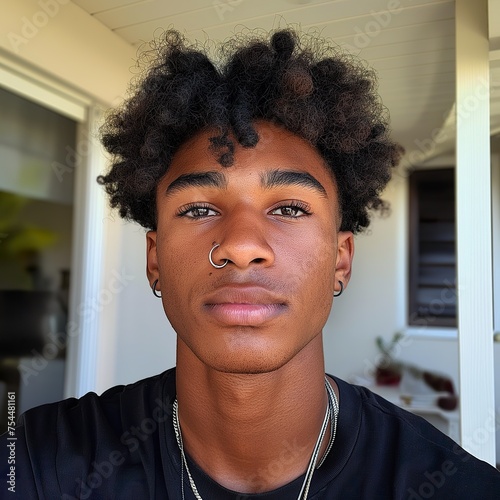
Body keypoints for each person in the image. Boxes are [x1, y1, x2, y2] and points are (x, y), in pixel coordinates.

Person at [1, 28, 499, 500]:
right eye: (198, 209)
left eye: (289, 208)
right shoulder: (37, 461)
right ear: (154, 259)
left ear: (341, 260)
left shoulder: (456, 486)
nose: (241, 245)